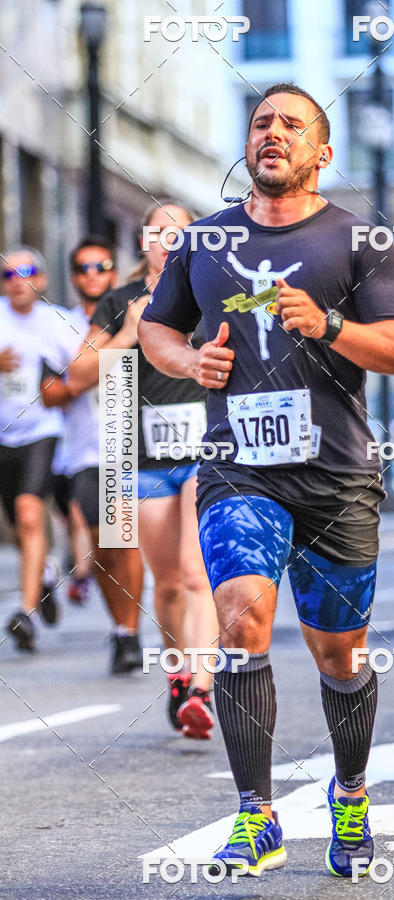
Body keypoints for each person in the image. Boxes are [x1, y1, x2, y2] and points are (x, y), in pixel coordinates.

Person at [138, 83, 394, 878]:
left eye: (292, 125)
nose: (273, 133)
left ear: (321, 152)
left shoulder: (357, 239)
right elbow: (156, 326)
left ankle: (352, 791)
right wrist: (188, 360)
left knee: (340, 657)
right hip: (240, 470)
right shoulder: (203, 241)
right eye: (262, 122)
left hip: (337, 476)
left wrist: (331, 325)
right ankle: (256, 814)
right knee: (239, 621)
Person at [68, 204, 218, 734]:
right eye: (159, 232)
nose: (168, 240)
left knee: (199, 574)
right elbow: (78, 376)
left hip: (207, 454)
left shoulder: (213, 292)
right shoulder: (115, 301)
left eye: (180, 232)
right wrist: (127, 334)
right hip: (143, 461)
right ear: (143, 243)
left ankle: (202, 688)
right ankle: (178, 675)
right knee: (170, 581)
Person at [41, 236, 146, 673]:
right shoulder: (59, 326)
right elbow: (52, 393)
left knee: (123, 538)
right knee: (103, 549)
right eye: (83, 269)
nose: (92, 275)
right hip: (84, 450)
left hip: (128, 444)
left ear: (113, 272)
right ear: (73, 277)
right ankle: (121, 627)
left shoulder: (136, 310)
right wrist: (86, 372)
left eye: (101, 266)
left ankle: (129, 634)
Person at [0, 247, 65, 651]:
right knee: (19, 527)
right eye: (8, 274)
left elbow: (83, 369)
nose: (17, 280)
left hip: (43, 429)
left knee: (28, 513)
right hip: (3, 436)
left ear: (40, 280)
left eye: (26, 271)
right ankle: (44, 574)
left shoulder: (58, 322)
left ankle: (26, 614)